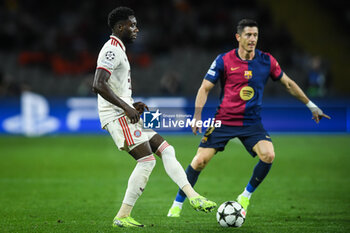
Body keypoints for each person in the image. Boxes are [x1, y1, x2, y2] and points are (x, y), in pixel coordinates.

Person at [167, 19, 331, 217]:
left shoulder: (266, 61)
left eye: (255, 35)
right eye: (248, 35)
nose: (252, 39)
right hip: (224, 121)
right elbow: (205, 87)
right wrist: (197, 116)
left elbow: (288, 84)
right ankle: (178, 203)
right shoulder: (224, 60)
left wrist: (311, 106)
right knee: (199, 161)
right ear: (238, 37)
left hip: (251, 122)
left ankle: (245, 195)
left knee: (269, 155)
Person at [92, 7, 216, 228]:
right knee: (146, 160)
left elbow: (113, 87)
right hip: (117, 116)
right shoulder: (110, 50)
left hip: (125, 111)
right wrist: (126, 108)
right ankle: (122, 216)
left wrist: (132, 104)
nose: (136, 29)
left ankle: (193, 196)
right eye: (132, 25)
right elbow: (98, 84)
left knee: (167, 149)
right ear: (120, 27)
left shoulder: (119, 49)